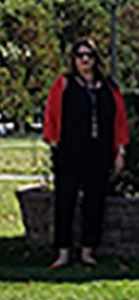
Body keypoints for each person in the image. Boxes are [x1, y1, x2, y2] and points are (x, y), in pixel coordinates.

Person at [42, 38, 129, 269]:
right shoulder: (64, 84)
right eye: (80, 55)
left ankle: (88, 251)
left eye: (89, 55)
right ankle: (63, 253)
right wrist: (53, 141)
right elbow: (51, 112)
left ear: (96, 58)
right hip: (70, 151)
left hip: (98, 152)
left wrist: (120, 150)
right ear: (73, 59)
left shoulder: (109, 87)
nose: (85, 60)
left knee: (95, 201)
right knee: (65, 200)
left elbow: (119, 120)